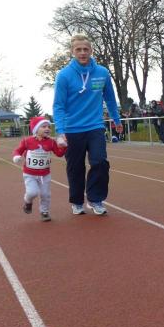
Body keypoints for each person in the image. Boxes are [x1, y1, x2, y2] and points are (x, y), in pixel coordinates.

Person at [53, 34, 122, 215]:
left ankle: (95, 199)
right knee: (75, 168)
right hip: (71, 129)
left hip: (95, 126)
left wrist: (116, 119)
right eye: (78, 49)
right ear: (72, 51)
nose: (82, 53)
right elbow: (58, 105)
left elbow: (110, 98)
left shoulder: (102, 72)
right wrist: (60, 131)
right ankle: (77, 201)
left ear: (91, 50)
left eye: (85, 49)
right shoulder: (64, 75)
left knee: (100, 162)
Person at [12, 117, 68, 222]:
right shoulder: (27, 141)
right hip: (30, 174)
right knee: (32, 193)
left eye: (49, 127)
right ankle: (28, 202)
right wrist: (16, 156)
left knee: (45, 194)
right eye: (44, 126)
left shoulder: (51, 142)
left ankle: (44, 212)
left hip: (45, 174)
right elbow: (18, 150)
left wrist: (64, 146)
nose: (47, 129)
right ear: (36, 129)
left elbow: (59, 154)